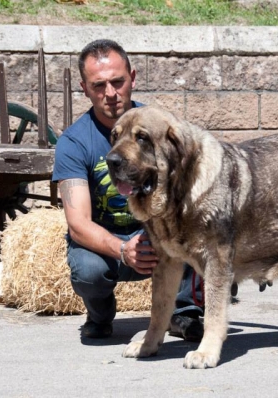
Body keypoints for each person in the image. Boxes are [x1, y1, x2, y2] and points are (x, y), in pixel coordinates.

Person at [52, 39, 204, 341]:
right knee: (88, 270)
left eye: (117, 82)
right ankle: (100, 315)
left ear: (132, 78)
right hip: (108, 244)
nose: (110, 94)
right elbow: (78, 223)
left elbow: (190, 184)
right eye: (98, 86)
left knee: (194, 223)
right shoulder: (74, 142)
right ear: (84, 88)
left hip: (157, 232)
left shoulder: (159, 127)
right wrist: (123, 250)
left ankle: (183, 310)